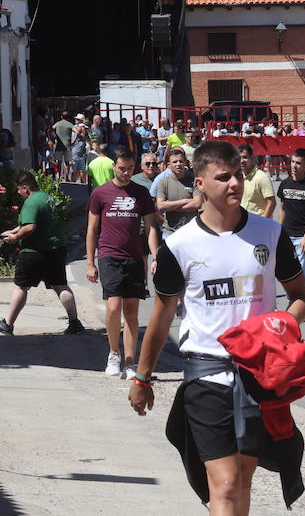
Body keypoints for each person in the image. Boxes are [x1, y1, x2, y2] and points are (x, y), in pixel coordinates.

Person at [128, 139, 305, 516]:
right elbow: (162, 316)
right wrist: (141, 376)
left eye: (239, 174)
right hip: (205, 373)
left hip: (259, 376)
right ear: (201, 184)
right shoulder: (180, 245)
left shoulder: (271, 235)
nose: (235, 183)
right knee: (225, 484)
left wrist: (278, 326)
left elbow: (301, 299)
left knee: (243, 484)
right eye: (224, 177)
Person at [86, 148, 161, 379]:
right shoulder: (100, 193)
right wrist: (90, 262)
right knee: (112, 307)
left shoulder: (141, 193)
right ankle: (113, 353)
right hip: (109, 255)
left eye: (129, 168)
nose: (125, 173)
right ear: (114, 167)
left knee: (131, 312)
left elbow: (150, 228)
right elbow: (91, 229)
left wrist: (155, 256)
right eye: (121, 168)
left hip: (134, 257)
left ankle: (129, 362)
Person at [0, 171, 83, 336]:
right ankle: (75, 323)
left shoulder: (31, 202)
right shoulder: (46, 197)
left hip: (34, 251)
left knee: (21, 287)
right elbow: (34, 221)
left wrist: (15, 237)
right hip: (55, 249)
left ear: (25, 188)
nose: (18, 192)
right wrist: (15, 229)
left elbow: (30, 226)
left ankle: (7, 324)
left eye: (19, 189)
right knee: (60, 285)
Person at [277, 148, 305, 279]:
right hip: (286, 236)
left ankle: (302, 299)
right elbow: (282, 209)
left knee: (301, 276)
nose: (294, 166)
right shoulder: (285, 184)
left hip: (302, 236)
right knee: (286, 275)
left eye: (298, 163)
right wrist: (279, 232)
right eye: (292, 162)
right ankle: (292, 299)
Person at [155, 147, 201, 232]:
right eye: (175, 162)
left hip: (191, 230)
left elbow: (197, 204)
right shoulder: (163, 182)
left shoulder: (194, 181)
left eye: (181, 161)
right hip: (169, 230)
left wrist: (170, 206)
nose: (178, 164)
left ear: (185, 162)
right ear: (169, 164)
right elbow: (161, 205)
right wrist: (185, 201)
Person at [237, 144, 276, 218]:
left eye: (245, 157)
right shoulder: (238, 177)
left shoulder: (261, 177)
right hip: (243, 225)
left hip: (258, 225)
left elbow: (271, 203)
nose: (241, 161)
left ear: (252, 158)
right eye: (239, 158)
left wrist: (262, 222)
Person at [52, 113, 75, 180]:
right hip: (67, 145)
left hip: (58, 145)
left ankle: (59, 176)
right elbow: (76, 131)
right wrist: (73, 140)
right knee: (67, 162)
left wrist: (52, 139)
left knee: (59, 162)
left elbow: (50, 130)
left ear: (61, 116)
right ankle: (67, 177)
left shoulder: (57, 124)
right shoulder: (70, 124)